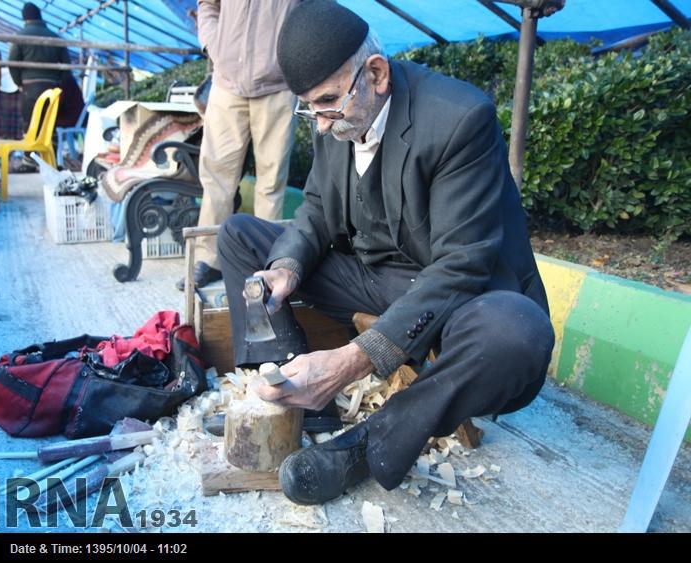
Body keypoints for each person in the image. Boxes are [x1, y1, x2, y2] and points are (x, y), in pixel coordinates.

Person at [216, 0, 555, 505]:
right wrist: (285, 268)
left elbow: (462, 264)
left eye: (329, 104)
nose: (323, 125)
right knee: (239, 234)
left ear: (375, 73)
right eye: (311, 109)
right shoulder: (337, 113)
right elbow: (315, 208)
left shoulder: (461, 119)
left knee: (517, 333)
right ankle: (288, 395)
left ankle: (365, 445)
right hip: (377, 276)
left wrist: (352, 361)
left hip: (457, 297)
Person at [176, 0, 301, 291]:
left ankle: (264, 264)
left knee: (272, 182)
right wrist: (214, 44)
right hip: (228, 83)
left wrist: (290, 59)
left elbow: (316, 13)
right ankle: (208, 259)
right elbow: (208, 4)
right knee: (216, 178)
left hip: (278, 86)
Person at [8, 2, 70, 128]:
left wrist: (19, 83)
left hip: (29, 86)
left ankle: (31, 148)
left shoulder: (20, 36)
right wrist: (59, 82)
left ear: (24, 18)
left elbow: (12, 63)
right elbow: (66, 66)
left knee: (30, 125)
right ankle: (51, 147)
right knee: (49, 126)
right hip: (51, 86)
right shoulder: (55, 37)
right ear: (40, 16)